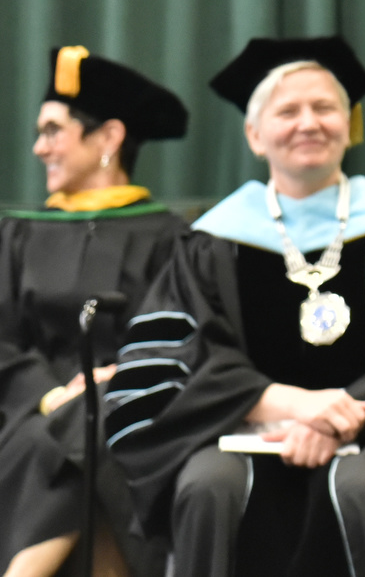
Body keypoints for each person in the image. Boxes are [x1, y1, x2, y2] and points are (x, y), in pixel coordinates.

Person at [104, 36, 365, 577]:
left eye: (325, 108)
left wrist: (337, 420)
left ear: (347, 124)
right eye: (287, 111)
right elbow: (170, 363)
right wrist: (280, 401)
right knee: (208, 486)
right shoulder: (210, 240)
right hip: (237, 431)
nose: (308, 123)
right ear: (254, 134)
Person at [0, 47, 189, 577]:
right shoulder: (18, 234)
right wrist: (49, 393)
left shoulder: (169, 238)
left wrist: (115, 381)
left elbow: (177, 336)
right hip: (26, 410)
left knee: (100, 421)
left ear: (108, 138)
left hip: (134, 405)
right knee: (76, 429)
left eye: (54, 130)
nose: (39, 148)